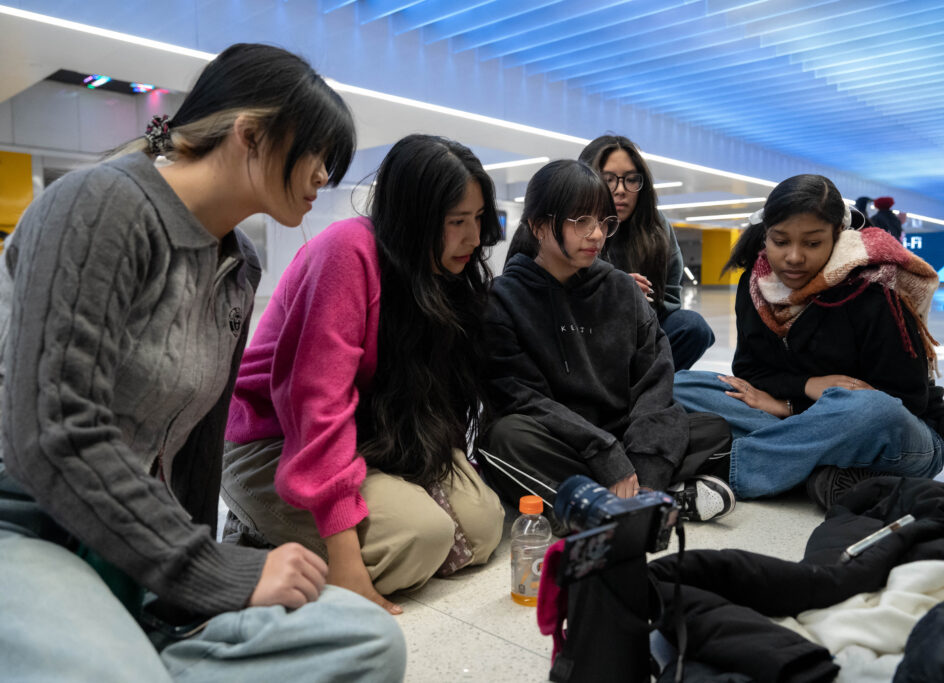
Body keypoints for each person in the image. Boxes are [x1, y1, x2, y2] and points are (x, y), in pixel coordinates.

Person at [0, 44, 405, 681]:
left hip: (133, 540)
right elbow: (52, 435)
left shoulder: (238, 264)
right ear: (249, 136)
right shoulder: (101, 205)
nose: (325, 175)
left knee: (366, 639)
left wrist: (202, 588)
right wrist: (210, 570)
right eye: (318, 154)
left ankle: (144, 643)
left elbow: (196, 455)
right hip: (27, 526)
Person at [221, 134, 505, 616]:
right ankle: (254, 537)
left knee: (482, 528)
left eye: (479, 219)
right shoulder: (346, 253)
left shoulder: (437, 273)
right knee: (419, 540)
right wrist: (345, 564)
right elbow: (318, 408)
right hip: (277, 440)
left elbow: (431, 397)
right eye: (457, 222)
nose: (474, 239)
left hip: (369, 439)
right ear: (413, 220)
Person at [672, 174, 944, 510]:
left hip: (893, 434)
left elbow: (905, 402)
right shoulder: (756, 287)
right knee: (682, 384)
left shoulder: (874, 291)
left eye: (812, 243)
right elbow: (750, 371)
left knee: (870, 408)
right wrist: (808, 386)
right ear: (765, 236)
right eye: (781, 242)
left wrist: (789, 407)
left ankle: (728, 470)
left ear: (837, 237)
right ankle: (815, 470)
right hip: (803, 426)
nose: (794, 257)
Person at [479, 160, 735, 524]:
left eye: (602, 221)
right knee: (506, 439)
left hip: (625, 435)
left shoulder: (621, 289)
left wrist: (641, 463)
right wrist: (605, 452)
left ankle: (610, 502)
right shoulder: (504, 299)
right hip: (563, 438)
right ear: (537, 226)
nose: (597, 234)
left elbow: (655, 379)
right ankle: (656, 501)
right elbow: (523, 397)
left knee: (713, 429)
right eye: (581, 221)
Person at [578, 135, 715, 370]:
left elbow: (670, 300)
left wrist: (637, 304)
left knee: (693, 326)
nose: (620, 190)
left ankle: (645, 385)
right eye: (608, 180)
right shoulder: (572, 224)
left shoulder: (657, 227)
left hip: (642, 333)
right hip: (584, 332)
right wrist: (611, 291)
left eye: (631, 180)